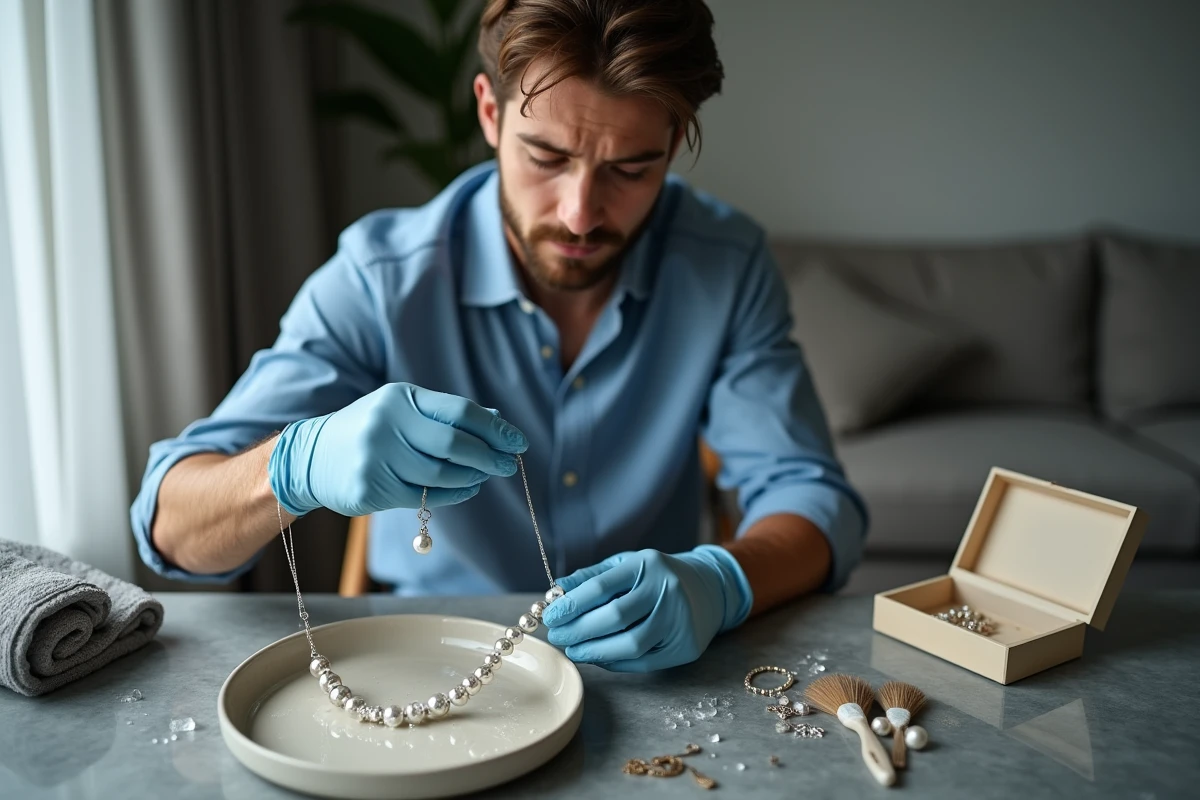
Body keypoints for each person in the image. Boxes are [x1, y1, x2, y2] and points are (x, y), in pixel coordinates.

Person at [131, 0, 868, 673]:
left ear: (673, 143)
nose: (580, 213)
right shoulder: (382, 277)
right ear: (490, 111)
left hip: (648, 670)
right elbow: (170, 527)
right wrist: (297, 465)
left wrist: (722, 582)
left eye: (630, 168)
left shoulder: (726, 266)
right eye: (546, 157)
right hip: (428, 666)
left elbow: (810, 497)